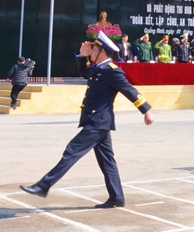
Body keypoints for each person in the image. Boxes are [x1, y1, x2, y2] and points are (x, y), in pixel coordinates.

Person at [19, 31, 154, 208]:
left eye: (94, 48)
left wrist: (146, 110)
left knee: (71, 151)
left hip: (98, 122)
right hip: (97, 121)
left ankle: (44, 185)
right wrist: (81, 56)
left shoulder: (112, 71)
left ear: (103, 51)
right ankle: (117, 197)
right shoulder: (98, 68)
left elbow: (129, 90)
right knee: (107, 161)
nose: (90, 50)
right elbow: (84, 72)